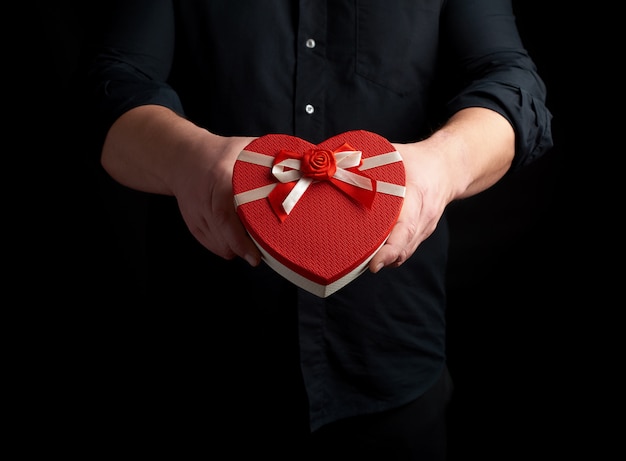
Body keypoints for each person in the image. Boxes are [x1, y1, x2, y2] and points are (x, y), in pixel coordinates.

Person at [78, 0, 553, 459]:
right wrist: (189, 160)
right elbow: (111, 84)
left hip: (394, 363)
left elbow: (511, 81)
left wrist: (445, 165)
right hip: (208, 364)